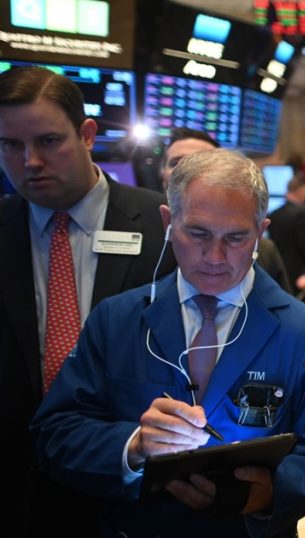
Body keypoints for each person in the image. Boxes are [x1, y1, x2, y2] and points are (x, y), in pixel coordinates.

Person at [31, 149, 305, 536]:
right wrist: (133, 445)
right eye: (198, 234)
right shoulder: (117, 319)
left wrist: (271, 491)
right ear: (168, 222)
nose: (215, 257)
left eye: (236, 238)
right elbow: (56, 431)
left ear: (261, 231)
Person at [0, 66, 176, 534]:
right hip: (15, 490)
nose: (30, 161)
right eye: (10, 145)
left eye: (48, 141)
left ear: (87, 134)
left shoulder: (163, 225)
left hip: (133, 486)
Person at [161, 127, 294, 293]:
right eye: (177, 163)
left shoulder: (264, 251)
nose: (214, 258)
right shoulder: (142, 237)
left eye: (202, 164)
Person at [267, 175, 305, 294]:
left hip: (278, 268)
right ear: (301, 191)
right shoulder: (302, 214)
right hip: (299, 273)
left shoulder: (274, 214)